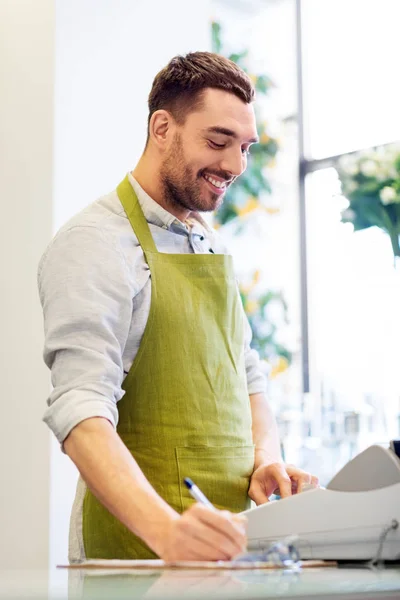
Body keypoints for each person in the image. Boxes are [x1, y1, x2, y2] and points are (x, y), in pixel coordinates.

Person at [38, 51, 318, 563]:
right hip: (137, 555)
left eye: (245, 148)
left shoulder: (211, 243)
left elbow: (248, 377)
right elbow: (80, 409)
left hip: (228, 548)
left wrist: (265, 458)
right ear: (162, 127)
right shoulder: (94, 242)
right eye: (218, 142)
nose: (235, 166)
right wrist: (166, 532)